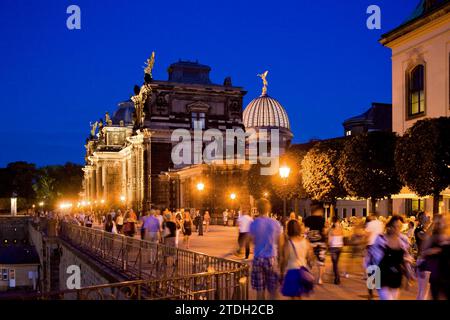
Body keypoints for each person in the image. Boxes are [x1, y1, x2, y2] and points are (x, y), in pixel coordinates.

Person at [370, 215, 414, 300]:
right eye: (394, 226)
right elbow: (372, 259)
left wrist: (409, 276)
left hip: (396, 275)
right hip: (381, 275)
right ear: (389, 226)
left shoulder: (403, 240)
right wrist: (371, 279)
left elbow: (406, 259)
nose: (396, 229)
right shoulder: (380, 239)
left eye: (399, 227)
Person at [249, 199, 282, 300]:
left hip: (258, 258)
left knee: (260, 290)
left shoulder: (254, 224)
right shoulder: (275, 223)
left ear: (257, 209)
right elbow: (280, 242)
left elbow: (252, 240)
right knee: (273, 290)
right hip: (271, 258)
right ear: (268, 208)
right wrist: (281, 259)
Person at [280, 220, 315, 299]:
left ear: (288, 229)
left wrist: (281, 273)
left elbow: (284, 260)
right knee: (299, 296)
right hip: (303, 272)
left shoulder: (288, 243)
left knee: (293, 296)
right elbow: (311, 256)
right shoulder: (305, 241)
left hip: (292, 272)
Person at [419, 215, 450, 300]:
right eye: (440, 222)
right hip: (437, 274)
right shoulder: (433, 237)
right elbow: (424, 251)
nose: (442, 224)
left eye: (445, 221)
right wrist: (432, 251)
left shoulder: (448, 236)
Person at [304, 205, 326, 284]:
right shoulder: (322, 219)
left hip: (310, 243)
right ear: (318, 211)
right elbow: (324, 231)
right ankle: (320, 279)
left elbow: (305, 231)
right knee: (321, 262)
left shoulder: (307, 219)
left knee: (309, 261)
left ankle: (309, 276)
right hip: (321, 243)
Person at [364, 212, 385, 299]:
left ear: (372, 216)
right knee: (379, 267)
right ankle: (380, 289)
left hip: (371, 246)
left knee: (370, 268)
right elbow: (382, 234)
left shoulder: (369, 224)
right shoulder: (381, 223)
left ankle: (370, 292)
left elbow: (367, 235)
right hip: (380, 247)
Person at [328, 216, 344, 285]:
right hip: (339, 247)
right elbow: (342, 237)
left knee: (335, 264)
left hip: (333, 247)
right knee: (336, 263)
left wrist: (328, 246)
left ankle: (337, 278)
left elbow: (329, 240)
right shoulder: (341, 229)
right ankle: (336, 277)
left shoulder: (331, 230)